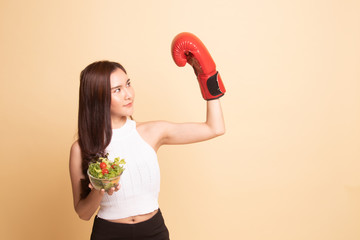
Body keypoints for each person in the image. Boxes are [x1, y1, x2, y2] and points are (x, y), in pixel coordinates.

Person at [69, 32, 226, 240]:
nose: (128, 94)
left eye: (128, 83)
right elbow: (83, 213)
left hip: (153, 231)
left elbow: (214, 128)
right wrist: (100, 189)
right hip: (109, 233)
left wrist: (207, 76)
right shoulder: (81, 148)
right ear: (97, 98)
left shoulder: (152, 132)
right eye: (117, 89)